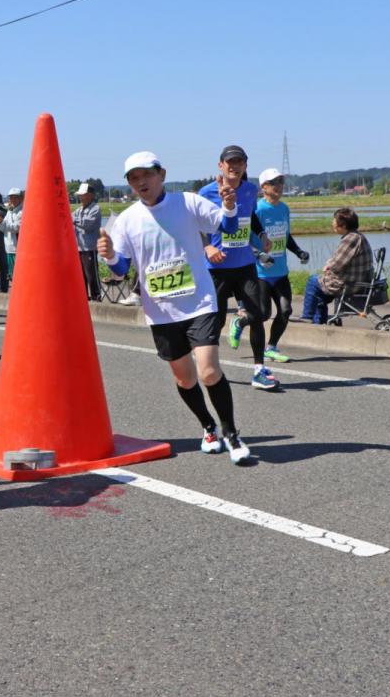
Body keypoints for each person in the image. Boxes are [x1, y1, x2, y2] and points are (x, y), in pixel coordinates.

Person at [98, 151, 254, 465]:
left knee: (209, 371)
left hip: (200, 301)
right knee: (185, 379)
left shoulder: (188, 202)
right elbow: (120, 271)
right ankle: (208, 427)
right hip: (162, 310)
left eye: (147, 175)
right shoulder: (127, 220)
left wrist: (229, 204)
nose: (141, 182)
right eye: (134, 178)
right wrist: (111, 254)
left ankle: (231, 433)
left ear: (162, 174)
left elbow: (225, 226)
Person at [198, 145, 279, 390]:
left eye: (239, 162)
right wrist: (207, 248)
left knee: (260, 314)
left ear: (245, 166)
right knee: (216, 320)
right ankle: (211, 367)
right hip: (216, 267)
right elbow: (197, 225)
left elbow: (251, 215)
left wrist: (262, 234)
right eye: (229, 162)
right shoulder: (206, 192)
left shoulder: (249, 190)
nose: (234, 166)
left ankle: (258, 370)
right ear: (220, 165)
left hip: (245, 264)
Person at [252, 169, 309, 360]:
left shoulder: (284, 208)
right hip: (260, 273)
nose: (278, 186)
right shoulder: (258, 210)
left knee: (286, 311)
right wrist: (259, 254)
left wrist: (298, 251)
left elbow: (286, 236)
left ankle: (271, 347)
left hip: (281, 271)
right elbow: (246, 239)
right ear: (263, 187)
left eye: (281, 182)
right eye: (273, 182)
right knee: (263, 314)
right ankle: (240, 321)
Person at [301, 207, 373, 324]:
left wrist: (328, 267)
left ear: (343, 225)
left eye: (334, 220)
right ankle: (318, 321)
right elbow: (339, 261)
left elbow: (336, 265)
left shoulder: (351, 239)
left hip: (348, 284)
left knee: (312, 282)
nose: (332, 223)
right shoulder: (357, 236)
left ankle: (306, 317)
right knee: (319, 292)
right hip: (355, 280)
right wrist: (330, 265)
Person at [73, 182, 103, 301]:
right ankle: (83, 297)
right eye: (80, 195)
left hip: (90, 248)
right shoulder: (79, 210)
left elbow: (87, 224)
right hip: (79, 247)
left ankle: (96, 297)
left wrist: (74, 220)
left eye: (83, 195)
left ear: (91, 195)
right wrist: (75, 220)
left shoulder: (95, 208)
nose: (80, 197)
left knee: (92, 276)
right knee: (81, 276)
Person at [0, 187, 24, 284]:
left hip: (17, 248)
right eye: (11, 197)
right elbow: (4, 228)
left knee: (18, 277)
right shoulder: (10, 211)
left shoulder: (22, 212)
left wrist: (1, 222)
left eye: (15, 197)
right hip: (9, 248)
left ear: (21, 198)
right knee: (12, 276)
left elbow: (17, 228)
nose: (12, 200)